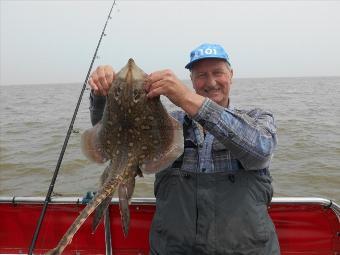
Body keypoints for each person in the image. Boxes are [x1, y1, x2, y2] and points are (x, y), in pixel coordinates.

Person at [88, 43, 280, 254]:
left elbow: (260, 150)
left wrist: (186, 98)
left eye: (218, 73)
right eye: (201, 75)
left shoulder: (257, 119)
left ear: (231, 75)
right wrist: (102, 94)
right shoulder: (170, 125)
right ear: (192, 80)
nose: (211, 82)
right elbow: (113, 137)